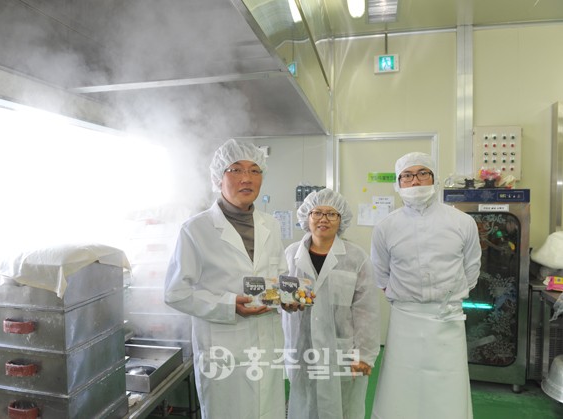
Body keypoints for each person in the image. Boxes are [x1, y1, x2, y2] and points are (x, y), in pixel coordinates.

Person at [164, 138, 287, 419]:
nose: (247, 178)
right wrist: (229, 305)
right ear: (218, 178)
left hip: (266, 346)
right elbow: (175, 292)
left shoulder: (271, 225)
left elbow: (278, 275)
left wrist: (286, 298)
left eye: (254, 170)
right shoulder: (196, 229)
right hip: (223, 352)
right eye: (236, 169)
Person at [370, 152, 482, 419]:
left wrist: (447, 296)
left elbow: (471, 269)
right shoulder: (386, 227)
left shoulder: (462, 222)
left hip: (447, 316)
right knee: (401, 383)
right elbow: (381, 274)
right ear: (398, 183)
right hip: (405, 316)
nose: (415, 181)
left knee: (448, 384)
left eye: (422, 173)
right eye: (407, 175)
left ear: (434, 178)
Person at [283, 188, 380, 419]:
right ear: (307, 217)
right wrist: (283, 304)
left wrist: (364, 355)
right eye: (317, 213)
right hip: (302, 347)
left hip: (342, 351)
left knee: (343, 408)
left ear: (341, 220)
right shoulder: (290, 255)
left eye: (331, 214)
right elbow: (280, 298)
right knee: (303, 404)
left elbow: (366, 310)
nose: (323, 219)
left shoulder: (356, 258)